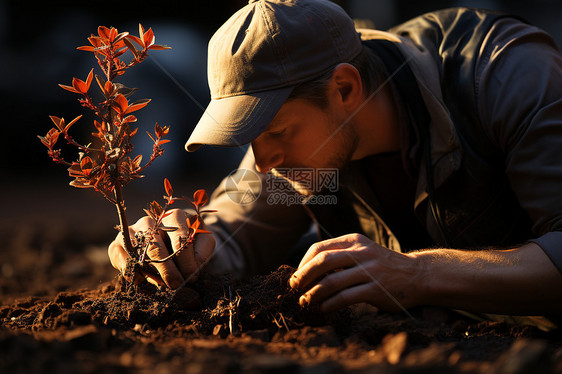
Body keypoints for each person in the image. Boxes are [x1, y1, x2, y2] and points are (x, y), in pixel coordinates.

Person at [108, 0, 562, 319]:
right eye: (251, 136)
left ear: (345, 89)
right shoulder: (302, 143)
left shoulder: (505, 75)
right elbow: (238, 228)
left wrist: (420, 273)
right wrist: (183, 244)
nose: (263, 162)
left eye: (277, 131)